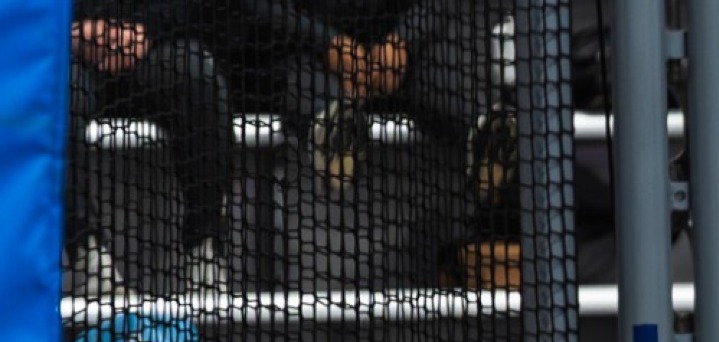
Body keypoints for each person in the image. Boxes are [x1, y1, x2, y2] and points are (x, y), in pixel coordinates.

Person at [193, 0, 507, 196]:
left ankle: (483, 135)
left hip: (398, 61)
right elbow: (259, 8)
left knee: (442, 74)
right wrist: (326, 43)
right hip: (306, 56)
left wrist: (404, 40)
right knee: (304, 81)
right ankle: (335, 132)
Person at [67, 0, 236, 296]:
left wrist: (146, 30)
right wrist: (71, 34)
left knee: (197, 73)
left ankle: (204, 249)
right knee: (57, 97)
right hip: (68, 58)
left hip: (149, 49)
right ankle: (86, 255)